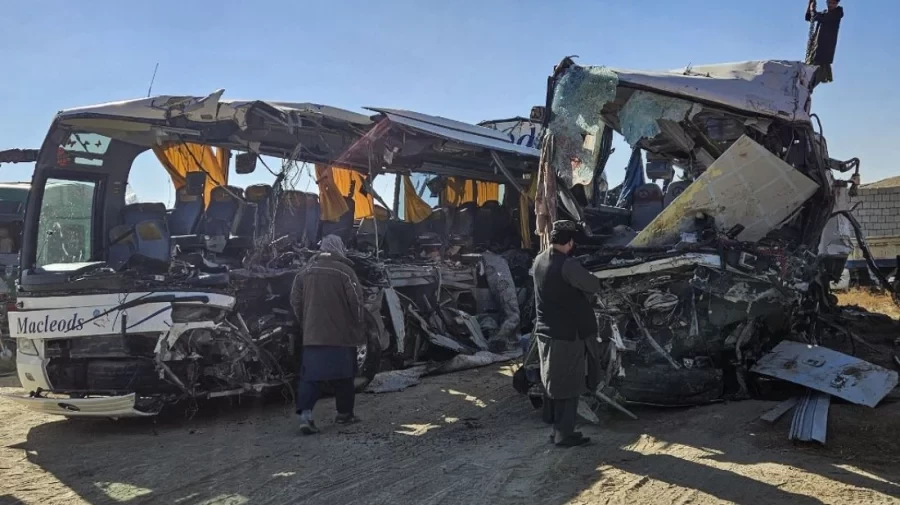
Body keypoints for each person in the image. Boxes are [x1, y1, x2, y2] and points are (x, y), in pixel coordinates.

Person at [531, 220, 601, 447]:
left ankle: (556, 429)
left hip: (546, 332)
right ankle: (564, 434)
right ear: (570, 242)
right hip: (566, 334)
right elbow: (592, 284)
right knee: (569, 385)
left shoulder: (539, 259)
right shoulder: (567, 265)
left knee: (552, 383)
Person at [290, 234, 365, 435]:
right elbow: (357, 304)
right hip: (341, 336)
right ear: (339, 248)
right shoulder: (345, 271)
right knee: (345, 376)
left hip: (313, 335)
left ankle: (306, 418)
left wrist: (305, 322)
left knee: (311, 378)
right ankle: (344, 414)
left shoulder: (304, 272)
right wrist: (358, 326)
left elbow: (294, 301)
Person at [805, 0, 844, 85]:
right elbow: (809, 17)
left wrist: (812, 9)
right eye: (829, 2)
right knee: (807, 78)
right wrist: (810, 4)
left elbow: (817, 17)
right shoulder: (825, 13)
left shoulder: (837, 13)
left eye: (833, 3)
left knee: (812, 80)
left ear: (837, 4)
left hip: (823, 55)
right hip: (815, 52)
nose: (831, 5)